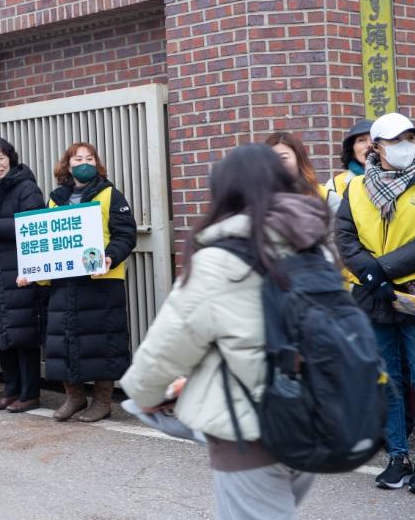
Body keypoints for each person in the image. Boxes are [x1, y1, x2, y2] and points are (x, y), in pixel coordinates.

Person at [122, 144, 322, 519]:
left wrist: (144, 396)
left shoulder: (219, 261)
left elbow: (167, 347)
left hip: (253, 431)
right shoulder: (314, 248)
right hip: (315, 417)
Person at [335, 113, 415, 494]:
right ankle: (397, 456)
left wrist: (383, 269)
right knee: (389, 382)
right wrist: (370, 276)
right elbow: (345, 237)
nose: (404, 145)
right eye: (395, 140)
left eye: (409, 138)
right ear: (375, 147)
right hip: (371, 297)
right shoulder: (357, 189)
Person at [23, 142, 137, 422]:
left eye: (89, 158)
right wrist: (33, 270)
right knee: (64, 341)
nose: (83, 163)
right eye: (77, 158)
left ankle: (102, 401)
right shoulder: (55, 198)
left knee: (103, 342)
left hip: (101, 282)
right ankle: (74, 397)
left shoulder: (110, 194)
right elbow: (45, 242)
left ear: (97, 164)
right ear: (67, 165)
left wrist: (110, 257)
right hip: (64, 283)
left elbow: (126, 234)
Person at [0, 138, 46, 412]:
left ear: (11, 159)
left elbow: (33, 224)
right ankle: (11, 390)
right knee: (4, 331)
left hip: (21, 267)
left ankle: (30, 393)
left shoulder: (26, 187)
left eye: (1, 158)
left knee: (23, 332)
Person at [266, 132, 341, 214]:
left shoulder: (326, 197)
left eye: (283, 158)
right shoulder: (259, 198)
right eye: (271, 158)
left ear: (299, 159)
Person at [326, 120, 373, 198]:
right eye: (361, 140)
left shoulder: (397, 178)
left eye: (373, 139)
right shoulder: (334, 185)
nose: (369, 145)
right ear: (352, 149)